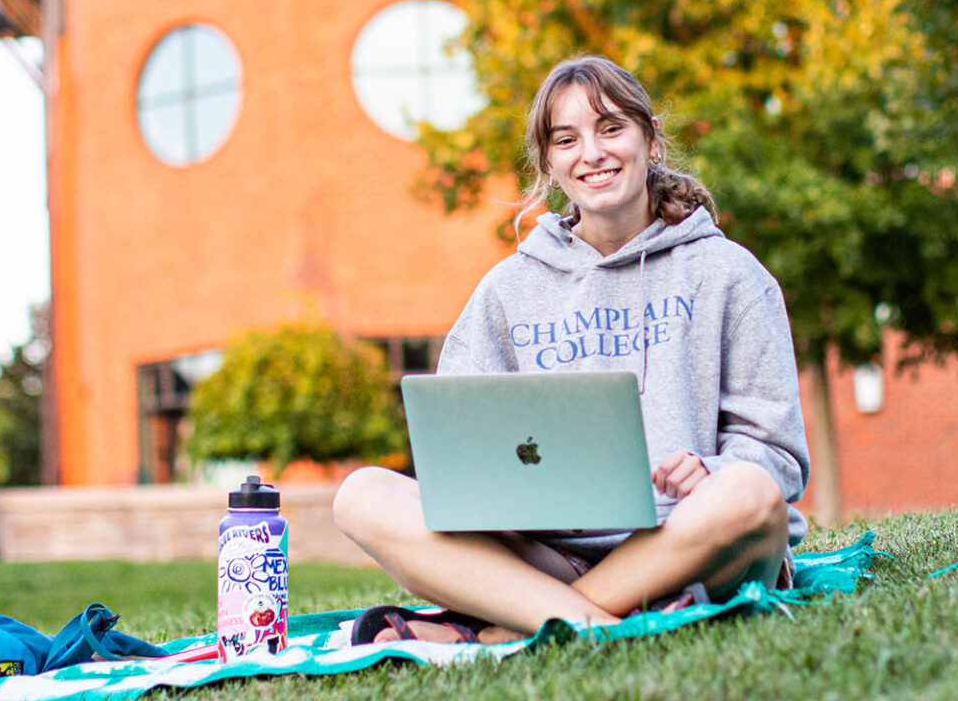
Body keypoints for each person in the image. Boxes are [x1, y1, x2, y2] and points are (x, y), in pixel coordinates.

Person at [333, 56, 811, 645]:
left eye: (611, 128)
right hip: (548, 556)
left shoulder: (729, 273)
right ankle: (590, 622)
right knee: (362, 496)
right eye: (567, 139)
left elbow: (778, 455)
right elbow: (455, 452)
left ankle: (513, 629)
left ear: (650, 140)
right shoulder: (507, 291)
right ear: (550, 166)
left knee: (750, 493)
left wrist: (711, 470)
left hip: (695, 546)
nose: (592, 152)